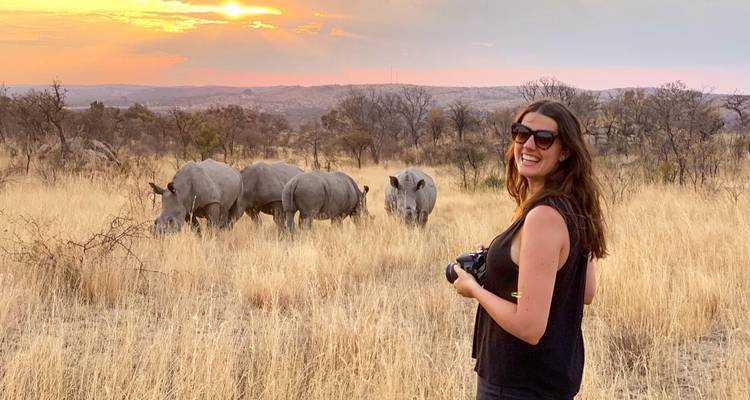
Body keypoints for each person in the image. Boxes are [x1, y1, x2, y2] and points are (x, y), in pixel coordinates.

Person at [451, 99, 607, 400]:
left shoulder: (543, 217)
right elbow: (584, 291)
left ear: (565, 151)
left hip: (517, 385)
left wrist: (474, 289)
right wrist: (505, 269)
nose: (529, 144)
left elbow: (529, 325)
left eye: (544, 138)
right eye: (521, 133)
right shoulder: (573, 209)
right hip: (548, 381)